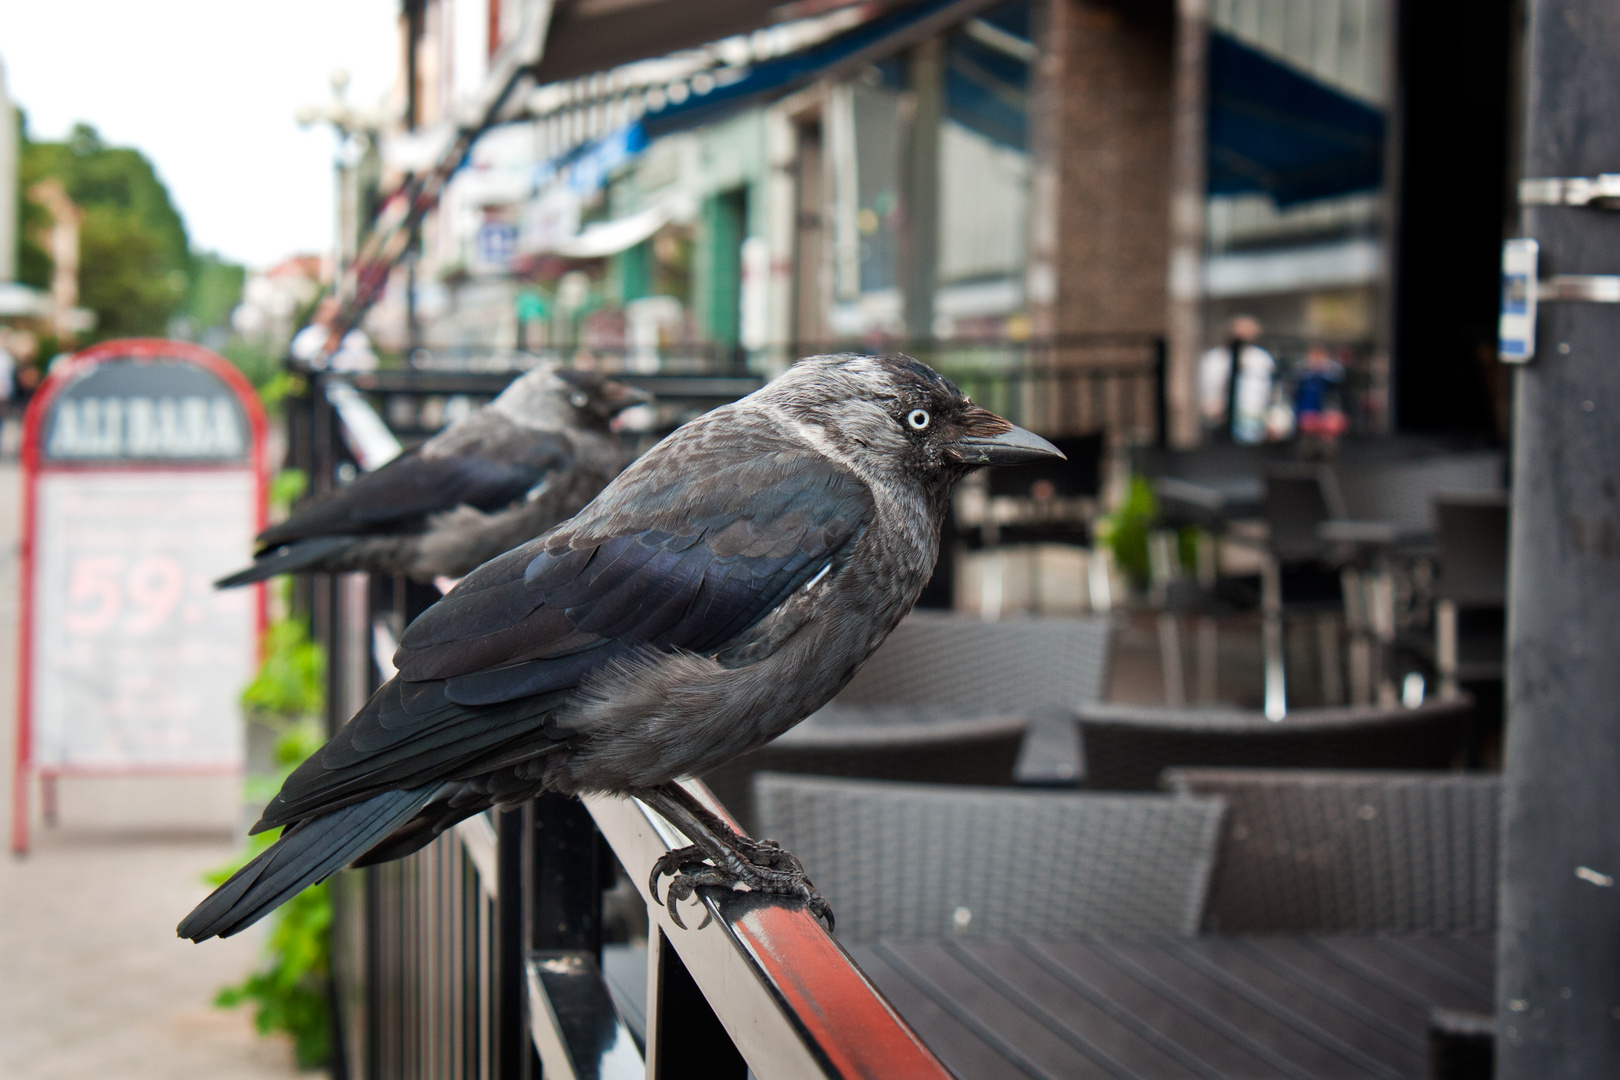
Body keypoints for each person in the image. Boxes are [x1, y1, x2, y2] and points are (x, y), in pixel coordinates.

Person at [1198, 315, 1276, 444]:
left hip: (1254, 427)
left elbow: (1268, 393)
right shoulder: (1215, 359)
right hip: (1220, 427)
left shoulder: (1261, 359)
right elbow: (1207, 392)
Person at [290, 297, 379, 372]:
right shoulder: (308, 336)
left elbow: (369, 363)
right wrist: (326, 349)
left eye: (338, 312)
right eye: (328, 311)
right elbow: (305, 363)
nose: (334, 316)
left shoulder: (354, 336)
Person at [1293, 344, 1348, 451]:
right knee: (1308, 433)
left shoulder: (1333, 371)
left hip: (1327, 409)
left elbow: (1337, 387)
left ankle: (1326, 452)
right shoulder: (1302, 371)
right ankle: (1309, 451)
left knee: (1328, 434)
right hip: (1307, 407)